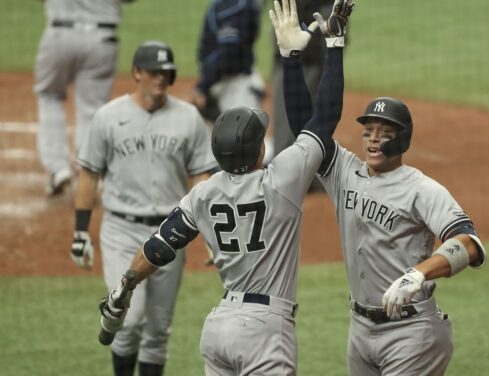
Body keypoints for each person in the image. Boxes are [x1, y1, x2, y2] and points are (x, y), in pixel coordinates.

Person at [97, 1, 353, 374]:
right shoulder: (282, 178)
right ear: (259, 149)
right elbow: (321, 120)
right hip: (265, 329)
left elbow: (159, 246)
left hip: (218, 329)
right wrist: (325, 48)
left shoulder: (203, 193)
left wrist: (127, 282)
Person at [284, 14, 488, 376]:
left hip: (412, 332)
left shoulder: (421, 189)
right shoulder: (344, 171)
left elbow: (469, 243)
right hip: (360, 330)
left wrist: (418, 275)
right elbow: (306, 133)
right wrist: (293, 60)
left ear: (403, 138)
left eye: (385, 131)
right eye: (369, 130)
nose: (374, 138)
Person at [69, 40, 218, 376]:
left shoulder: (188, 117)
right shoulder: (108, 117)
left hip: (172, 232)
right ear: (137, 73)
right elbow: (89, 173)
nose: (161, 78)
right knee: (129, 318)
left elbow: (199, 176)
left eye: (167, 73)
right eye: (154, 72)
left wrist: (206, 230)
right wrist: (80, 230)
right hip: (121, 230)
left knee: (158, 328)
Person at [34, 0, 135, 196]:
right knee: (92, 108)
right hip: (102, 39)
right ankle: (87, 169)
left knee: (50, 96)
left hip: (59, 35)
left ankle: (58, 169)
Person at [190, 0, 274, 164]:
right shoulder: (235, 4)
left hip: (235, 88)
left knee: (242, 149)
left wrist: (203, 86)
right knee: (217, 153)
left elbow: (230, 53)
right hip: (227, 83)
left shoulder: (233, 6)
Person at [270, 0, 334, 193]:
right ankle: (286, 179)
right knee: (290, 119)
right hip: (295, 51)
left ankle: (309, 175)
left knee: (314, 115)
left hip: (314, 52)